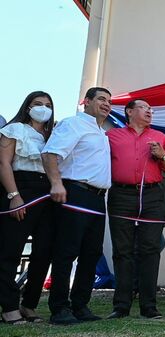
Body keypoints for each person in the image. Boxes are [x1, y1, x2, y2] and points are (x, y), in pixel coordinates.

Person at [41, 87, 112, 325]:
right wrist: (56, 183)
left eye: (109, 101)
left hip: (98, 199)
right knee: (66, 252)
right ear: (86, 101)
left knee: (91, 254)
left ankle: (80, 306)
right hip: (75, 194)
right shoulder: (73, 124)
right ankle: (59, 308)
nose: (106, 104)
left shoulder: (101, 132)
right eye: (101, 99)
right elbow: (50, 154)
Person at [105, 99, 165, 320]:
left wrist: (161, 155)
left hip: (153, 196)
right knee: (122, 250)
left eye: (151, 109)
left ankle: (149, 306)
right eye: (145, 108)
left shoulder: (160, 137)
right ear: (129, 111)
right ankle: (121, 306)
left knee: (150, 250)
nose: (149, 112)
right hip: (121, 195)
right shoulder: (111, 136)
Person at [0, 91, 55, 324]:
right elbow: (3, 162)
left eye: (47, 105)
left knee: (44, 252)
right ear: (27, 106)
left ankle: (29, 304)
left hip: (48, 192)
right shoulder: (14, 129)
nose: (42, 108)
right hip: (22, 187)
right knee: (10, 251)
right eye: (37, 104)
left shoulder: (52, 135)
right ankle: (9, 306)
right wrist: (14, 196)